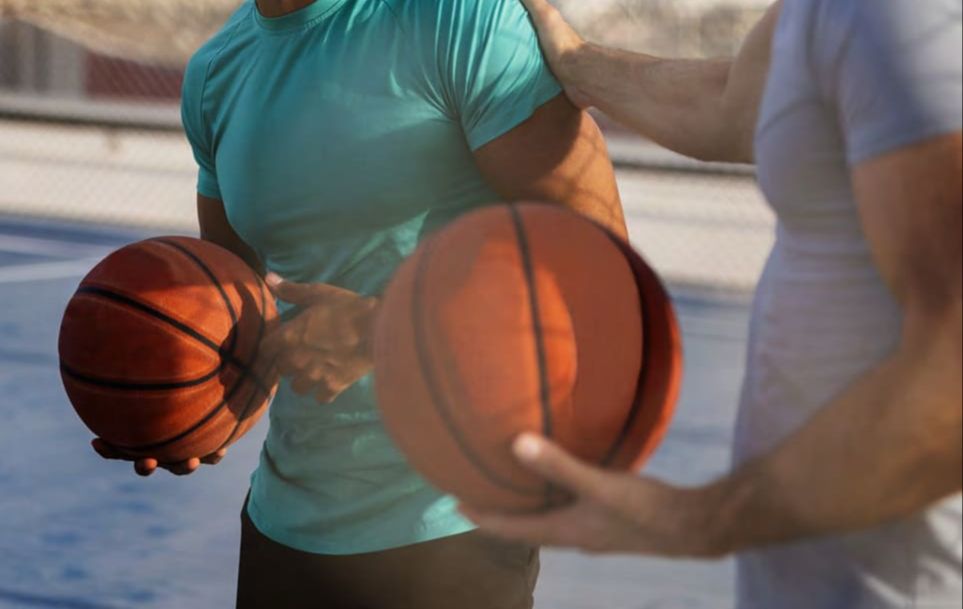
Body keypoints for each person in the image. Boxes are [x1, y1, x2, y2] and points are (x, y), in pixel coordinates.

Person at [93, 0, 627, 608]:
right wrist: (180, 401)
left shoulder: (462, 21)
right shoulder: (216, 72)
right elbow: (238, 311)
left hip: (454, 525)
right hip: (284, 525)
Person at [462, 1, 963, 607]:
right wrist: (579, 64)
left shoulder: (898, 15)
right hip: (818, 570)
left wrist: (696, 519)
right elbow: (728, 101)